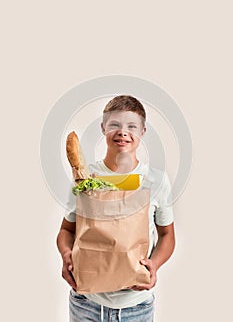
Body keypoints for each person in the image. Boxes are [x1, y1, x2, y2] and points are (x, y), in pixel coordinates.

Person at [57, 95, 175, 322]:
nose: (123, 132)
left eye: (131, 126)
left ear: (143, 132)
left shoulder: (155, 181)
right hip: (87, 303)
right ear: (103, 128)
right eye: (115, 125)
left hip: (136, 305)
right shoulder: (85, 179)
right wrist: (65, 255)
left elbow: (167, 235)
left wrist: (155, 265)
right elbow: (66, 230)